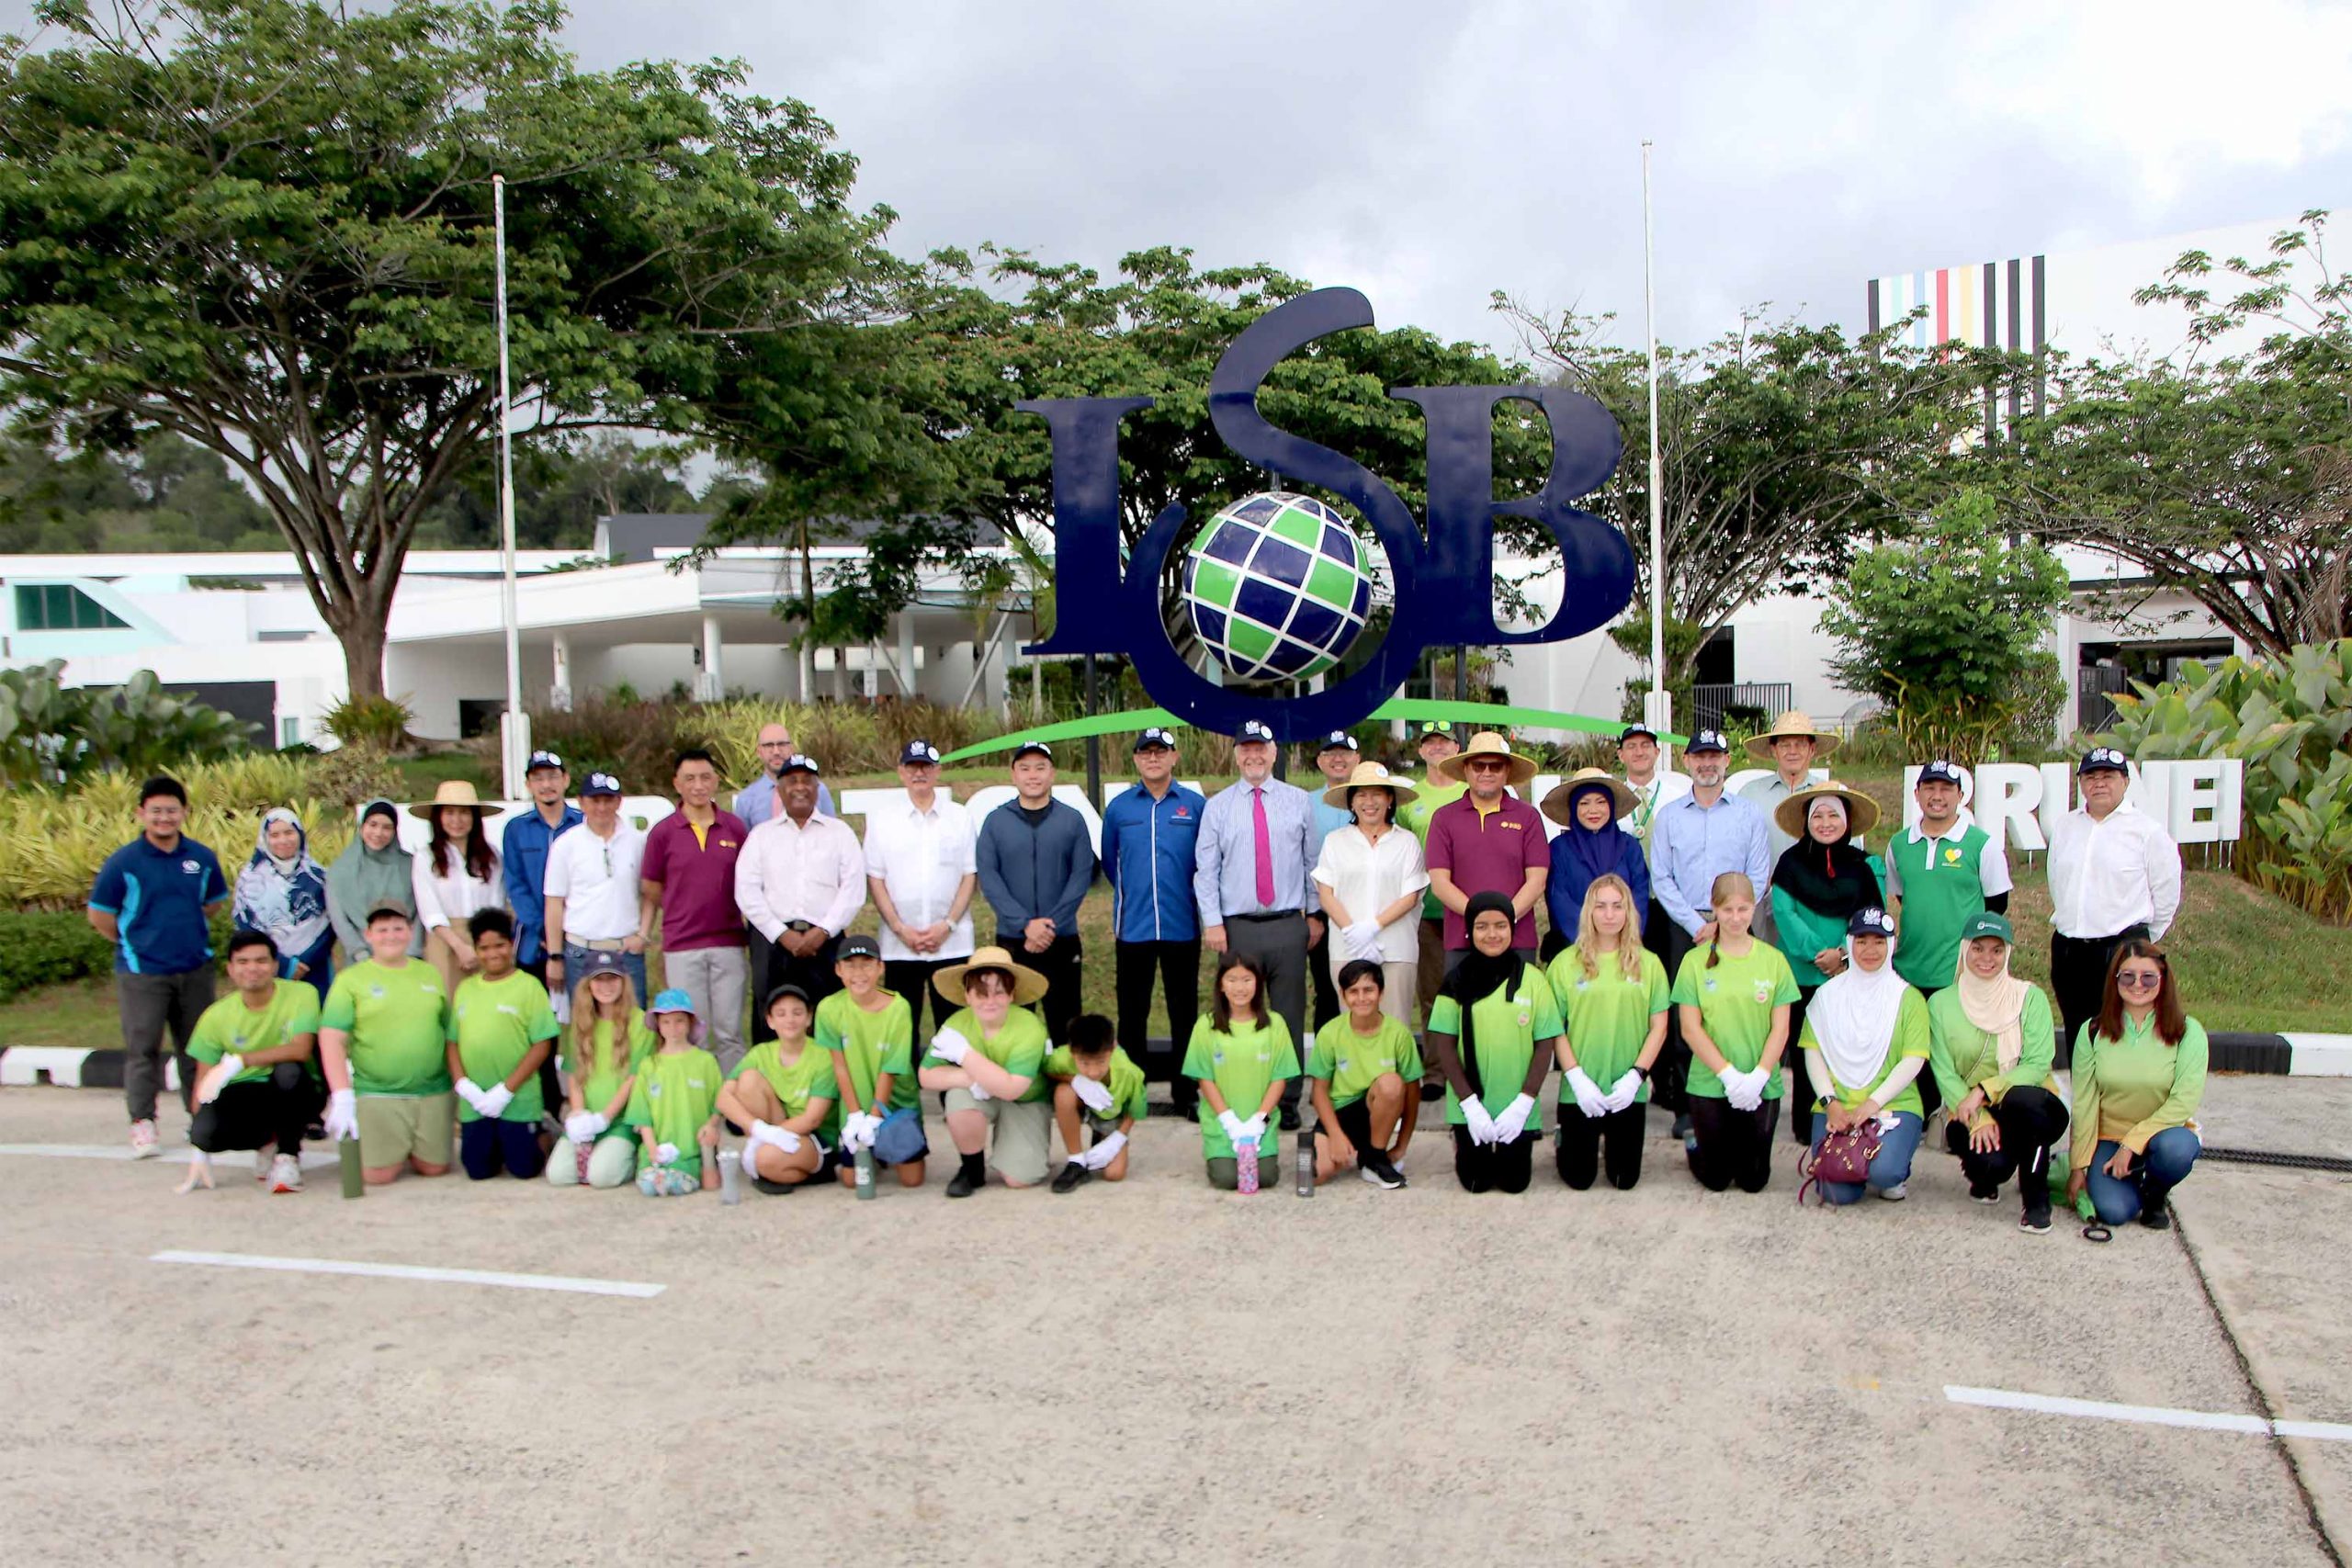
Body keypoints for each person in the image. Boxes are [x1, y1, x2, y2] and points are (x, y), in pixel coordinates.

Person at [89, 774, 231, 1157]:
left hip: (194, 969)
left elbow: (212, 904)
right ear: (141, 813)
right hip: (142, 973)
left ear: (184, 812)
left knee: (197, 1049)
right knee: (142, 1049)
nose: (164, 818)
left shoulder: (200, 858)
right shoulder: (124, 863)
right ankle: (143, 1123)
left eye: (172, 810)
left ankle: (199, 1118)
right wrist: (136, 942)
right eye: (156, 811)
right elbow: (100, 915)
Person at [1192, 718, 1318, 1126]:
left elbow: (1311, 863)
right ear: (1235, 755)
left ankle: (1287, 1101)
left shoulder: (1299, 801)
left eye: (1260, 747)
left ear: (1274, 752)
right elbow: (1205, 871)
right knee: (1238, 1012)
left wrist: (1314, 914)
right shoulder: (1218, 806)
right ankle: (1237, 1094)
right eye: (1245, 748)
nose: (1253, 755)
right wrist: (1212, 922)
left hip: (1287, 923)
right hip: (1237, 927)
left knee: (1288, 1015)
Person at [1648, 729, 1773, 1135]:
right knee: (1688, 1011)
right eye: (1699, 757)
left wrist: (1725, 920)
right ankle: (1687, 1105)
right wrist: (1696, 924)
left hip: (1735, 921)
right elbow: (1661, 878)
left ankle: (1738, 1092)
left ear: (1727, 761)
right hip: (1684, 923)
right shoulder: (1668, 816)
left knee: (1733, 1009)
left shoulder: (1748, 814)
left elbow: (1758, 873)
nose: (1707, 764)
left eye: (1715, 757)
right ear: (1686, 762)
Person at [1927, 913, 2069, 1233]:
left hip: (2031, 1101)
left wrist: (1985, 1089)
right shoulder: (1940, 1003)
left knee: (2024, 1105)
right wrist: (1979, 1116)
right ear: (1964, 950)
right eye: (1978, 949)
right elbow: (1943, 1070)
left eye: (1996, 949)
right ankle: (1987, 1177)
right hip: (1969, 1108)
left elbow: (2037, 1063)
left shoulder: (2028, 998)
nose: (1987, 958)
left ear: (2008, 953)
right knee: (1990, 1165)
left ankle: (2036, 1199)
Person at [2048, 748, 2182, 1066]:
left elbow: (2166, 893)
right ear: (2081, 784)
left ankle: (2123, 1109)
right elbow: (2057, 881)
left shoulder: (2147, 832)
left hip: (2120, 949)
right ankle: (2085, 1107)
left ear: (2124, 782)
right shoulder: (2066, 827)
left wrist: (2141, 943)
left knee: (2121, 1035)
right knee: (2078, 1037)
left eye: (2108, 776)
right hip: (2069, 949)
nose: (2099, 784)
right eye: (2091, 777)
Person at [1768, 783, 1884, 1145]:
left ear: (1847, 821)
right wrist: (1821, 953)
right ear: (1806, 822)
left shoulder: (1865, 867)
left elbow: (1873, 916)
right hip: (1802, 971)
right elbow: (1784, 914)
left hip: (1848, 972)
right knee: (1806, 1046)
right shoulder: (1789, 863)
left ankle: (1848, 1114)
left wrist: (1844, 954)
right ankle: (1807, 1123)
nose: (1826, 822)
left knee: (1844, 1047)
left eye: (1834, 814)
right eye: (1817, 815)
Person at [1671, 872, 1798, 1194]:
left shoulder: (1773, 961)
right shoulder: (1695, 962)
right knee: (1717, 1179)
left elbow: (1781, 1028)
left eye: (1743, 909)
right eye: (1727, 910)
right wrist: (1728, 1075)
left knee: (1753, 1180)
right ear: (1714, 909)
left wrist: (1758, 1076)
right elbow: (1690, 1028)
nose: (1735, 918)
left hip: (1759, 1082)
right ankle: (1695, 1145)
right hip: (1712, 1082)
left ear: (1754, 908)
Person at [1100, 727, 1205, 1112]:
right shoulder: (1121, 808)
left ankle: (1186, 1094)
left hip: (1182, 926)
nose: (1154, 758)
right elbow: (1112, 862)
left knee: (1184, 1014)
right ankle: (1133, 1091)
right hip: (1134, 927)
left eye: (1162, 752)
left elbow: (1204, 864)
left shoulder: (1194, 806)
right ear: (1136, 760)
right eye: (1146, 753)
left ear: (1175, 757)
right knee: (1132, 1013)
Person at [1426, 891, 1561, 1195]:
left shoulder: (1533, 979)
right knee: (1476, 1183)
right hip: (1470, 1103)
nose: (1492, 934)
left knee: (1514, 1184)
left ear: (1512, 929)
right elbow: (1445, 1047)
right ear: (1469, 930)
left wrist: (1525, 1101)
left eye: (1500, 925)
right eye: (1482, 926)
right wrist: (1469, 1105)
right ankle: (1462, 1138)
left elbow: (1545, 1044)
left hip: (1517, 1106)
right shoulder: (1454, 981)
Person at [2067, 940, 2207, 1231]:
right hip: (2108, 1137)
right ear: (2115, 979)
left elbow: (2183, 1102)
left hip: (2161, 1136)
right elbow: (2084, 1103)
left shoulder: (2188, 1031)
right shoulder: (2093, 1031)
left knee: (2178, 1149)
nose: (2137, 984)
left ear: (2163, 980)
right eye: (2127, 976)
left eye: (2148, 977)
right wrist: (2078, 1167)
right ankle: (2126, 1184)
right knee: (2114, 1212)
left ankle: (2155, 1194)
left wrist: (2132, 1143)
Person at [1545, 873, 1669, 1192]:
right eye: (1601, 907)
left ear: (1629, 911)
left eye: (1618, 906)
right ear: (1589, 911)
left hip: (1626, 1089)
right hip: (1581, 1088)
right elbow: (1554, 1027)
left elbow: (1659, 1026)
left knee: (1624, 1179)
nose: (1610, 915)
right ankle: (1567, 1139)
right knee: (1579, 1179)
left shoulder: (1649, 964)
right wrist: (1575, 1078)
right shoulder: (1563, 964)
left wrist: (1636, 1077)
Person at [1798, 908, 1929, 1204]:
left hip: (1891, 1105)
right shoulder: (1827, 996)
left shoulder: (1908, 998)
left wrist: (1872, 1104)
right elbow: (1813, 1052)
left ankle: (1894, 1169)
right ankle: (1859, 1169)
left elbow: (1913, 1060)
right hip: (1837, 1107)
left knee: (1884, 1173)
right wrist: (1830, 1104)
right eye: (1861, 941)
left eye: (1879, 941)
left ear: (1891, 945)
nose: (1870, 950)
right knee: (1836, 1193)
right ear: (1849, 944)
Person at [317, 904, 452, 1186]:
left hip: (432, 1090)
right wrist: (341, 1094)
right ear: (368, 935)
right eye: (382, 930)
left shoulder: (430, 973)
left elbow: (448, 1030)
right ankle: (383, 1143)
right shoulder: (350, 980)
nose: (390, 936)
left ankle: (407, 1144)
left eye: (398, 928)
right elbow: (332, 1038)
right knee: (377, 1177)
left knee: (434, 1168)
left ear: (410, 932)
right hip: (378, 1092)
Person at [734, 752, 864, 1041]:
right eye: (792, 781)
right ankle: (770, 1084)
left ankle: (829, 1081)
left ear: (817, 789)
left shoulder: (839, 833)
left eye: (808, 781)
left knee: (829, 1018)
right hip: (773, 944)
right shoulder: (761, 835)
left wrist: (823, 931)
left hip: (825, 942)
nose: (800, 787)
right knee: (772, 1016)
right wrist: (781, 934)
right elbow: (747, 891)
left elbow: (853, 890)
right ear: (780, 790)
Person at [184, 930, 322, 1195]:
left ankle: (287, 1155)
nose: (253, 969)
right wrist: (198, 1147)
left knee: (288, 1073)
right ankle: (267, 1141)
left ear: (274, 965)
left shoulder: (302, 994)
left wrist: (242, 1060)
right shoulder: (216, 1015)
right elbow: (203, 1081)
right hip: (246, 1091)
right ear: (231, 969)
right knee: (204, 1132)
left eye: (261, 961)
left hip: (297, 1088)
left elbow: (301, 1049)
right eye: (243, 962)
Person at [974, 740, 1094, 1046]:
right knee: (1012, 1026)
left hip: (1061, 938)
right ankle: (1015, 1091)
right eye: (1025, 768)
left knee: (1066, 1024)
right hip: (1014, 940)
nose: (1033, 775)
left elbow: (1080, 876)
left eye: (1040, 767)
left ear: (1052, 773)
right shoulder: (995, 822)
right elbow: (990, 878)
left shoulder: (1072, 820)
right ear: (1013, 774)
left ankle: (1066, 1093)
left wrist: (1049, 925)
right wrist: (1024, 924)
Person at [638, 748, 750, 1073]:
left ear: (716, 781)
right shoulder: (662, 833)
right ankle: (698, 1108)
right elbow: (652, 887)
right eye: (690, 779)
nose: (698, 785)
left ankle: (733, 1108)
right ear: (677, 783)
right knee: (692, 1034)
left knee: (729, 1033)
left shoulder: (734, 828)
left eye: (705, 777)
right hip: (682, 947)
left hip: (728, 943)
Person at [863, 738, 978, 1044]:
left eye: (926, 766)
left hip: (952, 943)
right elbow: (876, 879)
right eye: (912, 767)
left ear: (937, 771)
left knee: (954, 1030)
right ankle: (903, 1092)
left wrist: (948, 925)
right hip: (901, 945)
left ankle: (952, 1092)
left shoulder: (960, 817)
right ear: (901, 772)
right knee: (901, 1030)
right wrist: (901, 929)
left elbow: (969, 875)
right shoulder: (883, 820)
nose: (919, 773)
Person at [919, 946, 1056, 1197]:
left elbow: (1013, 1088)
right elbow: (926, 1075)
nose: (990, 1001)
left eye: (998, 993)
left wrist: (964, 1055)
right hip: (981, 1094)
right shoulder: (956, 1023)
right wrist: (969, 1079)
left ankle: (1021, 1147)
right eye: (981, 994)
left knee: (1020, 1179)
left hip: (1025, 1101)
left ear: (1012, 994)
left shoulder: (1030, 1027)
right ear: (967, 996)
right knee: (959, 1099)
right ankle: (972, 1169)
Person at [1311, 761, 1429, 1027]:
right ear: (1351, 802)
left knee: (1394, 1025)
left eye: (1377, 794)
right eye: (1361, 794)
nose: (1369, 801)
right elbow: (1326, 893)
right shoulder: (1336, 841)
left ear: (1390, 800)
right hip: (1346, 946)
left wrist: (1373, 927)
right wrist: (1354, 931)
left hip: (1396, 948)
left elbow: (1410, 896)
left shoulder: (1406, 841)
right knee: (1353, 1025)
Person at [445, 908, 558, 1181]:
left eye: (500, 945)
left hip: (516, 1097)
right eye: (484, 948)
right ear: (475, 950)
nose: (493, 954)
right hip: (476, 1099)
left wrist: (506, 1091)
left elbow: (542, 1044)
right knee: (478, 1170)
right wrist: (463, 1086)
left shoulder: (529, 986)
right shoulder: (465, 989)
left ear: (511, 945)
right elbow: (452, 1043)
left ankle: (544, 1134)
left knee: (524, 1169)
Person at [1885, 760, 2012, 1001]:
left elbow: (1997, 904)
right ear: (1917, 793)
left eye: (1946, 789)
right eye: (1929, 788)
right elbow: (1905, 897)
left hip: (1960, 974)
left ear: (1960, 795)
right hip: (1908, 971)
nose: (1937, 796)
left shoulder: (1982, 845)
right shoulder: (1899, 844)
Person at [1425, 731, 1548, 971]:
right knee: (1464, 1008)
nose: (1486, 773)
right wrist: (1480, 920)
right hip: (1462, 938)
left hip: (1517, 938)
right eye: (1479, 766)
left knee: (1518, 1008)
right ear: (1466, 769)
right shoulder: (1444, 818)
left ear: (1507, 771)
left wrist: (1502, 921)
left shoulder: (1528, 817)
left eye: (1496, 766)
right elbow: (1440, 883)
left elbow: (1537, 881)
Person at [1180, 953, 1299, 1190]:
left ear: (1258, 983)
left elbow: (1280, 1077)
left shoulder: (1275, 1024)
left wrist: (1260, 1120)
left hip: (1260, 1122)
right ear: (1221, 985)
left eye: (1247, 979)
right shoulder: (1206, 1025)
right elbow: (1204, 1078)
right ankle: (1216, 1153)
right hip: (1223, 1122)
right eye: (1232, 979)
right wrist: (1229, 1120)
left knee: (1265, 1178)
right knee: (1226, 1179)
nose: (1240, 988)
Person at [819, 934, 926, 1190]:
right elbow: (840, 1065)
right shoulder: (828, 1008)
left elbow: (891, 1068)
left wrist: (875, 1118)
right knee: (850, 1181)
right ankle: (871, 1152)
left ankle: (884, 1146)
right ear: (838, 970)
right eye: (850, 965)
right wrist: (856, 1115)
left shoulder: (899, 1007)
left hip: (894, 1105)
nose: (859, 973)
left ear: (881, 967)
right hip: (856, 1102)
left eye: (867, 964)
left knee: (912, 1181)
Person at [1306, 959, 1420, 1190]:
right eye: (1353, 991)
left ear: (1381, 992)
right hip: (1341, 1112)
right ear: (1343, 994)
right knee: (1315, 1175)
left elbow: (1413, 1092)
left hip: (1376, 1107)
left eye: (1369, 990)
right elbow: (1318, 1091)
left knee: (1391, 1083)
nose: (1361, 998)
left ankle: (1374, 1159)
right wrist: (1335, 1134)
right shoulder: (1330, 1033)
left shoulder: (1398, 1033)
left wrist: (1401, 1145)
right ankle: (1327, 1145)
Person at [1397, 723, 1468, 1100]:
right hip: (1427, 911)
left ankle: (1470, 1065)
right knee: (1432, 994)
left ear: (1456, 748)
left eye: (1444, 742)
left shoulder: (1469, 790)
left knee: (1470, 992)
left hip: (1468, 909)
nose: (1437, 749)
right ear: (1422, 751)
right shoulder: (1411, 798)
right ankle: (1437, 1071)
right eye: (1430, 743)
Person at [719, 985, 839, 1193]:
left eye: (797, 1012)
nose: (790, 1020)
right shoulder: (761, 1052)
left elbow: (812, 1119)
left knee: (764, 1160)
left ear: (809, 1018)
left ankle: (809, 1169)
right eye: (781, 1014)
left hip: (814, 1136)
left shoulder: (822, 1056)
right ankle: (773, 1160)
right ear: (770, 1021)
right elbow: (723, 1097)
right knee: (748, 1079)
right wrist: (760, 1131)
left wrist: (771, 1137)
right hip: (777, 1128)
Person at [548, 950, 650, 1190]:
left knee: (601, 1177)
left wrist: (605, 1118)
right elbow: (575, 1074)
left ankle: (633, 1152)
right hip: (588, 1116)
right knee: (558, 1175)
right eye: (599, 980)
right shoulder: (582, 1021)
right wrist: (579, 1113)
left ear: (623, 982)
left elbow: (634, 1078)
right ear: (588, 984)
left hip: (619, 1120)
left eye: (612, 979)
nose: (606, 986)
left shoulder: (640, 1021)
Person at [544, 771, 648, 1007]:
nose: (602, 807)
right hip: (580, 951)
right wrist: (555, 956)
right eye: (595, 800)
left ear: (619, 801)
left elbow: (650, 892)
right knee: (585, 1027)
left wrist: (642, 933)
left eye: (608, 800)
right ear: (581, 802)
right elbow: (554, 903)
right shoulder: (566, 845)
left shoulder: (637, 841)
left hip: (626, 951)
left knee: (633, 1025)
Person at [1539, 769, 1648, 960]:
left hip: (1625, 949)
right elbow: (1559, 900)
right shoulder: (1559, 849)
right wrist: (1589, 942)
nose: (1593, 810)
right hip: (1574, 948)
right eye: (1584, 803)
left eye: (1601, 802)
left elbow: (1639, 894)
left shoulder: (1630, 847)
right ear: (1574, 807)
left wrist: (1624, 939)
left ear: (1611, 806)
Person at [411, 780, 505, 998]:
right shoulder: (426, 857)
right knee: (448, 1003)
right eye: (450, 813)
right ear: (439, 817)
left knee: (486, 1001)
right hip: (444, 940)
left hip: (484, 938)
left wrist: (484, 945)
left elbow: (496, 904)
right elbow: (430, 910)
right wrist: (459, 946)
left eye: (464, 813)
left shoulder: (491, 857)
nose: (457, 820)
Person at [625, 989, 724, 1196]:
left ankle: (701, 1167)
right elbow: (641, 1115)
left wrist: (711, 1125)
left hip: (691, 1150)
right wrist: (653, 1149)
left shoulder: (705, 1061)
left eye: (679, 1021)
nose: (673, 1028)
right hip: (657, 1150)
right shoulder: (648, 1065)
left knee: (677, 1184)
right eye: (666, 1022)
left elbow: (720, 1103)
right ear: (658, 1025)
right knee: (650, 1186)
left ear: (689, 1023)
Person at [232, 807, 334, 1004]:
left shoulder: (318, 876)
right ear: (265, 839)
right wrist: (282, 963)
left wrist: (305, 961)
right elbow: (245, 926)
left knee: (316, 1022)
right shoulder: (250, 879)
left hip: (315, 966)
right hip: (269, 966)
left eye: (289, 832)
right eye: (275, 835)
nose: (283, 840)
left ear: (300, 835)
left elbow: (331, 924)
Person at [500, 750, 579, 985]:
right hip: (534, 939)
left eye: (552, 776)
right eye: (538, 778)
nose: (546, 784)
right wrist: (544, 928)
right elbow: (516, 884)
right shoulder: (516, 829)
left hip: (578, 932)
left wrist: (566, 926)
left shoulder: (583, 824)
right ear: (528, 784)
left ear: (565, 779)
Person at [1046, 1012, 1146, 1193]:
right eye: (1084, 1063)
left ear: (1113, 1048)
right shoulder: (1061, 1057)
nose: (1093, 1072)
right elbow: (1046, 1070)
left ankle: (1102, 1136)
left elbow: (1136, 1108)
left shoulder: (1130, 1072)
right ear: (1071, 1051)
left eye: (1100, 1062)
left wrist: (1118, 1139)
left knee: (1114, 1174)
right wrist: (1074, 1079)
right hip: (1079, 1103)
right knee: (1063, 1093)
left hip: (1110, 1114)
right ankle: (1076, 1161)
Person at [1305, 730, 1362, 1030]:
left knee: (1365, 988)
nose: (1338, 759)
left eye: (1345, 753)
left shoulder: (1373, 800)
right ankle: (1326, 1070)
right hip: (1322, 915)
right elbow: (1301, 861)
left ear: (1357, 759)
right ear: (1319, 761)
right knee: (1327, 991)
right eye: (1330, 754)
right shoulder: (1305, 803)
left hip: (1365, 913)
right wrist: (1312, 914)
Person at [326, 799, 421, 964]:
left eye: (387, 827)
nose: (378, 833)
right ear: (362, 826)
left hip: (407, 958)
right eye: (373, 824)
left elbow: (421, 911)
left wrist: (412, 952)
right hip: (360, 960)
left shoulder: (411, 865)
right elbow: (339, 918)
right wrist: (359, 952)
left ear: (395, 831)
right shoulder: (341, 869)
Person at [1739, 710, 1837, 865]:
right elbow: (1736, 847)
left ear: (1812, 749)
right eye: (1785, 745)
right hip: (1764, 889)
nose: (1792, 751)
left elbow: (1851, 848)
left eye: (1800, 744)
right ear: (1774, 750)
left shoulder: (1832, 794)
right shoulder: (1750, 794)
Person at [732, 720, 836, 825]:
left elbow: (831, 832)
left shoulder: (818, 790)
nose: (776, 751)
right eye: (769, 745)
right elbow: (744, 840)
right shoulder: (746, 799)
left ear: (791, 749)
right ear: (759, 752)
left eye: (781, 744)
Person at [1615, 721, 1691, 857]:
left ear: (1657, 752)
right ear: (1621, 755)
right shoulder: (1612, 802)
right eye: (1631, 746)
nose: (1639, 752)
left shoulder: (1678, 798)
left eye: (1646, 746)